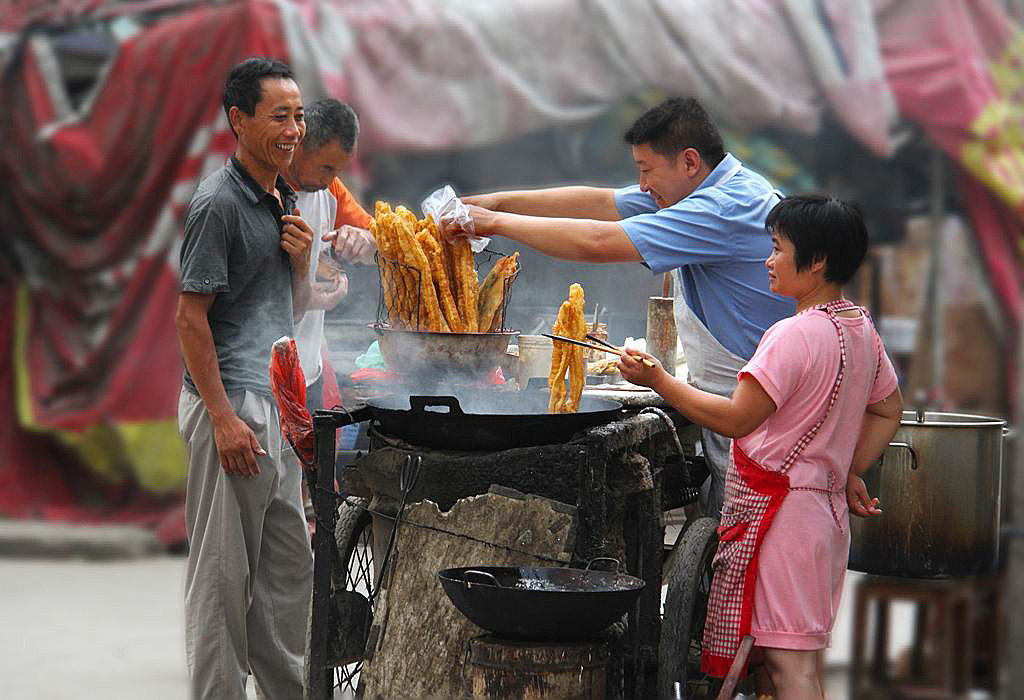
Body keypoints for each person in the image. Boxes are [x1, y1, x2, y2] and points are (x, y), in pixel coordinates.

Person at [617, 195, 903, 699]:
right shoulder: (860, 329)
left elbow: (735, 418)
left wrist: (659, 379)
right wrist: (847, 469)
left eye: (776, 249)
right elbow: (887, 408)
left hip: (785, 522)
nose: (767, 261)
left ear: (815, 262)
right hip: (824, 519)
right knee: (784, 663)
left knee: (793, 670)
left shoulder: (793, 335)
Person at [456, 97, 794, 518]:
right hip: (731, 402)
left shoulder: (723, 208)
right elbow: (600, 204)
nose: (642, 186)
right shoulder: (705, 189)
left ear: (689, 162)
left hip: (759, 415)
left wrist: (491, 224)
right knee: (728, 537)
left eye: (647, 170)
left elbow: (597, 241)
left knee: (752, 542)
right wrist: (488, 203)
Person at [174, 57, 314, 699]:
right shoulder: (218, 203)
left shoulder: (279, 196)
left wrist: (304, 260)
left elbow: (289, 304)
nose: (294, 129)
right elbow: (189, 319)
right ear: (239, 118)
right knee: (223, 580)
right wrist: (225, 417)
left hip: (276, 407)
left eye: (299, 115)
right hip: (231, 406)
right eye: (279, 116)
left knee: (288, 569)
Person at [283, 97, 374, 415]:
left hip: (308, 373)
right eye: (326, 167)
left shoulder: (329, 190)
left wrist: (363, 240)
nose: (331, 178)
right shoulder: (266, 192)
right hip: (261, 380)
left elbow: (381, 243)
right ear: (300, 142)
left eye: (338, 170)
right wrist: (317, 300)